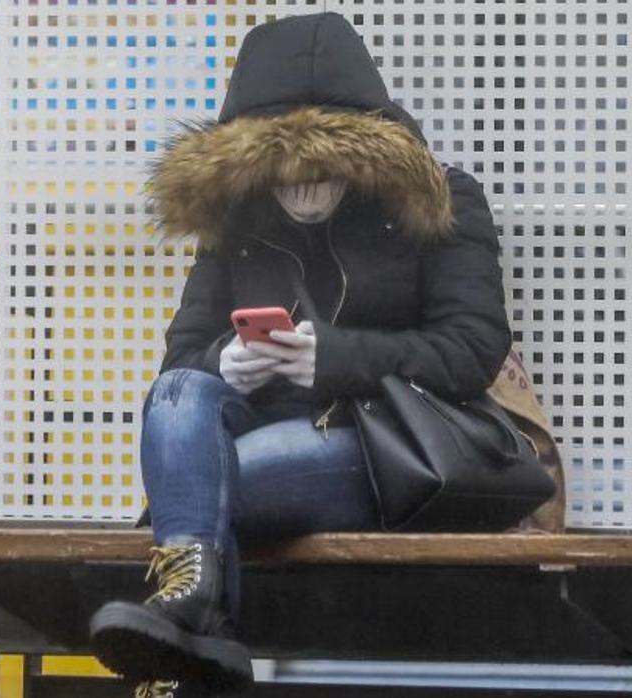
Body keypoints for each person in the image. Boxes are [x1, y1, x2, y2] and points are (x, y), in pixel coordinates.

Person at [87, 11, 512, 698]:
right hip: (257, 422)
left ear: (363, 155)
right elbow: (182, 362)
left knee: (204, 490)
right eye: (282, 174)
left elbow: (472, 351)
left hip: (378, 442)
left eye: (322, 170)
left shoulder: (443, 200)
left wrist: (332, 358)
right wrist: (227, 361)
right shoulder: (239, 219)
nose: (303, 190)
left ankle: (189, 647)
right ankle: (200, 632)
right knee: (177, 394)